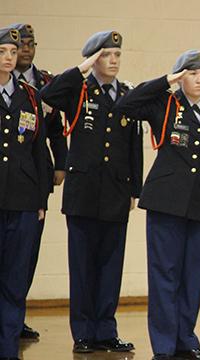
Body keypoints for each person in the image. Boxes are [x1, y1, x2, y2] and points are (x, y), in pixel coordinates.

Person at [114, 49, 200, 360]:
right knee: (165, 274)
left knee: (194, 277)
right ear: (180, 77)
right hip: (166, 203)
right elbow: (125, 104)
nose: (199, 79)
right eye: (192, 73)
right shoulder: (164, 104)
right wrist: (165, 81)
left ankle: (186, 341)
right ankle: (164, 347)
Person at [40, 30, 142, 354]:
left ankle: (106, 330)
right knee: (83, 267)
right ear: (93, 59)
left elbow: (134, 145)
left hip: (115, 193)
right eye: (105, 56)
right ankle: (83, 331)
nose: (112, 61)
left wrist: (134, 189)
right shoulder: (78, 91)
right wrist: (81, 68)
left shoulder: (126, 94)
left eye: (116, 56)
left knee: (111, 268)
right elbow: (48, 94)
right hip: (83, 193)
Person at [11, 22, 68, 341]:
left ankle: (16, 318)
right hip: (8, 176)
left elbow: (56, 128)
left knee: (27, 252)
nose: (26, 50)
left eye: (31, 44)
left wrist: (61, 163)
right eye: (20, 45)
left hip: (35, 176)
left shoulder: (45, 82)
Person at [0, 26, 48, 360]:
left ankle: (8, 347)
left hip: (22, 199)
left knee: (15, 280)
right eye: (3, 52)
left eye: (13, 53)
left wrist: (41, 199)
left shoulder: (29, 96)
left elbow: (38, 151)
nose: (8, 58)